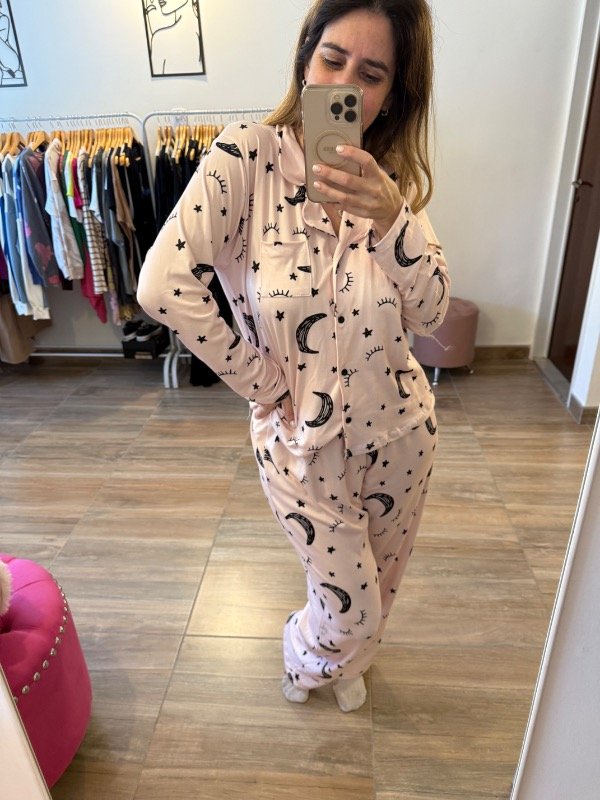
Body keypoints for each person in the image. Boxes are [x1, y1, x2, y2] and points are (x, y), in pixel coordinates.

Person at [137, 0, 450, 713]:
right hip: (300, 443)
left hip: (402, 434)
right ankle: (307, 657)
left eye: (371, 74)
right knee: (351, 608)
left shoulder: (391, 183)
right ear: (306, 58)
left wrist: (389, 218)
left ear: (393, 93)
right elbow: (162, 284)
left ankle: (346, 660)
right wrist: (260, 379)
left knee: (379, 587)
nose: (345, 85)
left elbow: (432, 315)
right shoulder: (245, 160)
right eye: (333, 60)